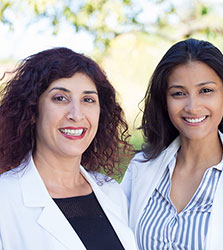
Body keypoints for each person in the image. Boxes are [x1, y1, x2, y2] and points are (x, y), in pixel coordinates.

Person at [0, 47, 138, 250]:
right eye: (60, 98)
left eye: (88, 100)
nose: (76, 114)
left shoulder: (110, 192)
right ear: (32, 110)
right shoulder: (5, 198)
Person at [121, 38, 223, 250]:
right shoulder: (140, 168)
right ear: (165, 100)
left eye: (206, 90)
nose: (193, 107)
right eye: (179, 93)